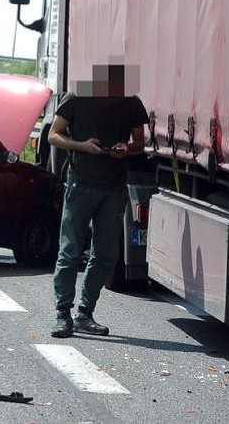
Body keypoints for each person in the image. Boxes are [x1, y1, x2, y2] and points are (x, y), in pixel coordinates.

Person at [47, 86, 148, 338]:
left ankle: (84, 313)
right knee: (70, 251)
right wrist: (82, 146)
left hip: (114, 188)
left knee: (106, 254)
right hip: (80, 184)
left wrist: (126, 148)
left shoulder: (131, 102)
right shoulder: (77, 97)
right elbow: (53, 135)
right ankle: (62, 314)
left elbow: (140, 143)